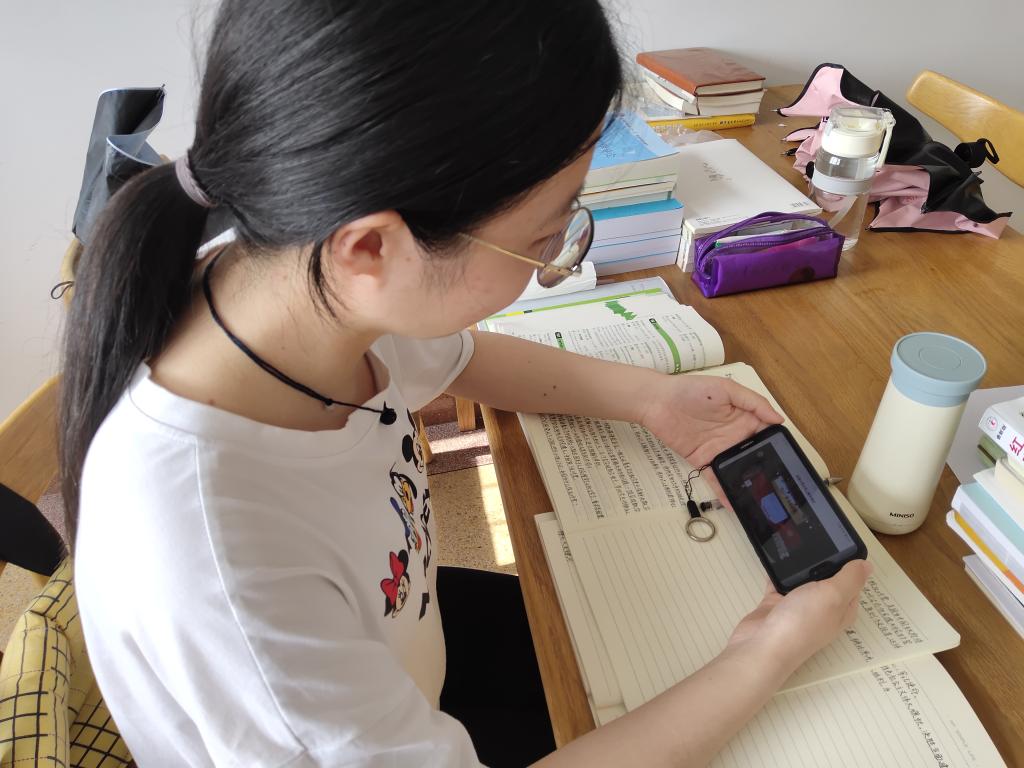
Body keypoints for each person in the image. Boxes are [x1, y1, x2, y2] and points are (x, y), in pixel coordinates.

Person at [60, 1, 872, 766]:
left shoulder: (287, 283)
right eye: (547, 234)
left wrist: (650, 399)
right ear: (372, 249)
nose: (557, 253)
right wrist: (768, 652)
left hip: (407, 649)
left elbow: (461, 357)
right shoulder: (222, 568)